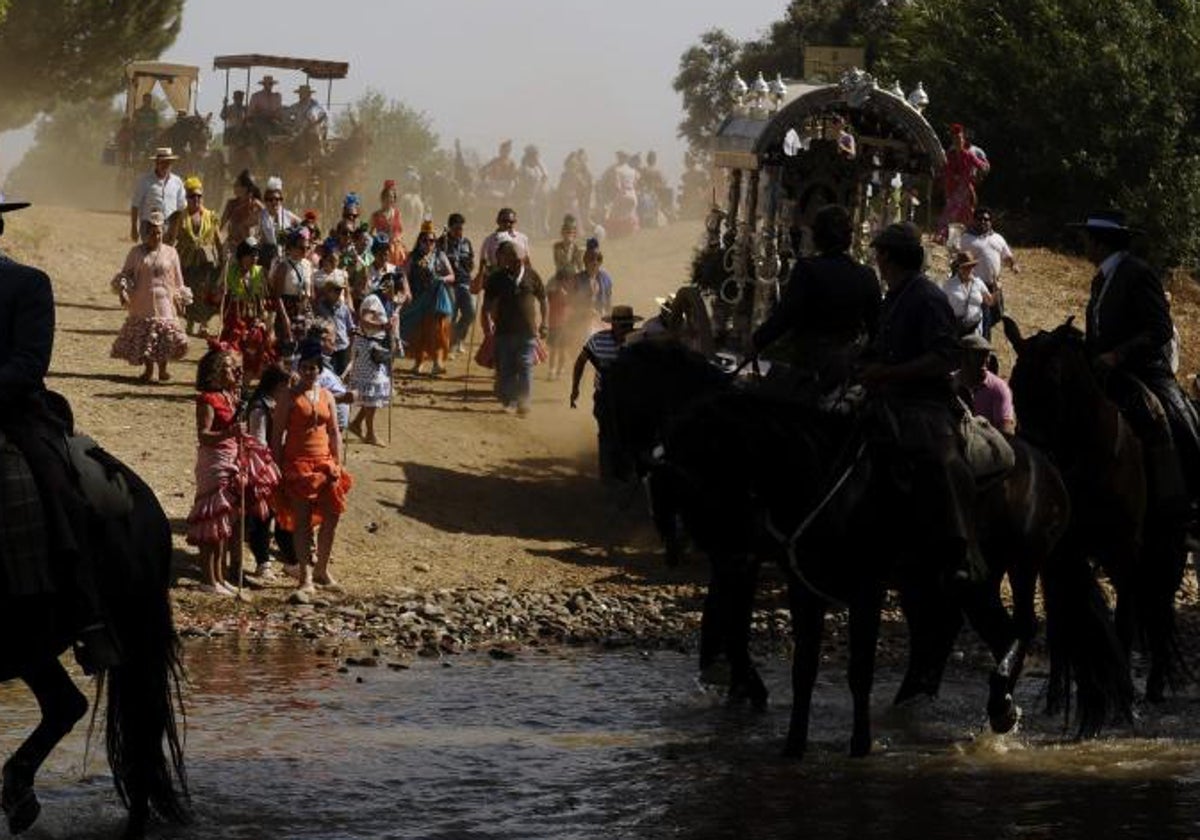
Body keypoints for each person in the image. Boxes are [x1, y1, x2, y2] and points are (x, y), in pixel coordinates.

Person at [0, 195, 120, 672]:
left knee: (51, 482)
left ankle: (87, 613)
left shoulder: (26, 284)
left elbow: (29, 362)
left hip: (13, 411)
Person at [859, 222, 979, 585]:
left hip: (926, 402)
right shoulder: (893, 297)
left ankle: (957, 548)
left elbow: (946, 357)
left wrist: (891, 373)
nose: (876, 261)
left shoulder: (927, 297)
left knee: (938, 456)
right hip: (887, 396)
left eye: (879, 254)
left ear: (890, 258)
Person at [1076, 210, 1200, 524]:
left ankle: (1191, 501)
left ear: (1100, 243)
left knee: (1176, 417)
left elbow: (1159, 328)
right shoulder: (1100, 279)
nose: (1083, 244)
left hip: (1144, 371)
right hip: (1103, 373)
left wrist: (1118, 355)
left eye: (1086, 239)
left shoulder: (1138, 272)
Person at [752, 204, 880, 396]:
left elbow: (785, 316)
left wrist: (756, 342)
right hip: (845, 373)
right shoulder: (866, 275)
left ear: (817, 236)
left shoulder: (808, 270)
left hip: (808, 367)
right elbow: (876, 329)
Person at [186, 348, 279, 595]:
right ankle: (209, 578)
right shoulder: (208, 399)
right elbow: (203, 435)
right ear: (216, 372)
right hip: (215, 460)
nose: (235, 371)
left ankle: (220, 576)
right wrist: (230, 433)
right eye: (229, 367)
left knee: (226, 519)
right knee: (212, 518)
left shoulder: (232, 396)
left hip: (233, 457)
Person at [271, 339, 352, 594]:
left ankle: (322, 570)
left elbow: (334, 432)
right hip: (298, 463)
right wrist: (275, 465)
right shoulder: (289, 396)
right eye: (304, 367)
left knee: (333, 516)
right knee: (302, 521)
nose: (309, 372)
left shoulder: (327, 395)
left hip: (325, 462)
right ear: (299, 367)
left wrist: (338, 460)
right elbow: (277, 434)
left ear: (320, 369)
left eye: (313, 368)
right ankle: (304, 576)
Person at [110, 211, 190, 382]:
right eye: (153, 233)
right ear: (145, 233)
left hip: (164, 301)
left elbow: (178, 279)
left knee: (164, 334)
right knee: (146, 334)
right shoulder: (136, 253)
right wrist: (123, 290)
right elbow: (126, 274)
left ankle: (163, 369)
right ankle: (148, 370)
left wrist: (180, 299)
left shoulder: (171, 253)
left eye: (159, 232)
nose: (157, 236)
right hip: (142, 300)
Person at [570, 304, 642, 481]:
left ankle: (627, 470)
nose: (626, 329)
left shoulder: (639, 342)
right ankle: (607, 472)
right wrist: (575, 389)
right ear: (613, 325)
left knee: (630, 432)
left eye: (629, 325)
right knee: (606, 432)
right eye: (623, 325)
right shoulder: (597, 340)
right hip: (605, 396)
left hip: (631, 397)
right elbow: (580, 362)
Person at [484, 240, 547, 416]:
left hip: (528, 332)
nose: (517, 262)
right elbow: (488, 303)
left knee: (525, 364)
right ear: (507, 260)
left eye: (520, 259)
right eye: (513, 258)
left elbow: (543, 299)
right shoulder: (497, 278)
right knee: (506, 368)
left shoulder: (532, 276)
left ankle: (524, 401)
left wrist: (545, 322)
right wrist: (488, 321)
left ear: (524, 259)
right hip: (503, 331)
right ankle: (510, 400)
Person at [244, 364, 294, 581]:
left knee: (283, 516)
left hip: (280, 464)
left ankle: (291, 559)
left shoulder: (278, 404)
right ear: (278, 385)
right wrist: (271, 467)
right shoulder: (260, 407)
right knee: (263, 516)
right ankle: (262, 561)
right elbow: (259, 441)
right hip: (264, 467)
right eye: (286, 385)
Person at [166, 176, 223, 336]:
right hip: (186, 260)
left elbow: (217, 240)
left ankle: (204, 324)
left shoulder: (211, 216)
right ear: (186, 198)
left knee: (204, 291)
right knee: (187, 290)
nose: (196, 199)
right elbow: (171, 239)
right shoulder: (179, 217)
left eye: (199, 196)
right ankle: (190, 322)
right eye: (192, 196)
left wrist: (223, 258)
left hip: (206, 261)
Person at [402, 221, 456, 375]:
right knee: (418, 332)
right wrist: (407, 291)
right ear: (419, 241)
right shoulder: (412, 256)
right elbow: (404, 274)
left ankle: (437, 363)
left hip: (436, 300)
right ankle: (419, 362)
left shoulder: (440, 255)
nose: (428, 243)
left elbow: (452, 275)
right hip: (418, 298)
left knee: (438, 332)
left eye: (432, 240)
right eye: (425, 240)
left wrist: (443, 279)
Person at [218, 238, 275, 381]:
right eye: (251, 255)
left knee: (253, 352)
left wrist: (265, 320)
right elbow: (219, 293)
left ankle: (246, 384)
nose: (254, 259)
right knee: (233, 350)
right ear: (242, 256)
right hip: (235, 317)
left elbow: (267, 298)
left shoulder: (260, 272)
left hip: (253, 318)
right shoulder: (230, 271)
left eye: (256, 255)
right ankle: (231, 382)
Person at [960, 207, 1019, 339]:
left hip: (995, 286)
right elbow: (958, 258)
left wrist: (1013, 265)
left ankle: (982, 333)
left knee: (997, 315)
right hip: (976, 286)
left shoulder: (998, 238)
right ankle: (983, 341)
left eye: (986, 219)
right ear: (973, 221)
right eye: (979, 219)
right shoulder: (966, 238)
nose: (982, 222)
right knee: (983, 318)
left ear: (991, 222)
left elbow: (1007, 256)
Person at [345, 295, 393, 445]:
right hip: (367, 349)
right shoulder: (373, 300)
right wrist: (383, 327)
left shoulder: (386, 301)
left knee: (375, 390)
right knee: (373, 389)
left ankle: (357, 423)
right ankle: (370, 433)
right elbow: (364, 321)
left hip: (375, 348)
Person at [547, 215, 586, 379]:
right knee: (549, 290)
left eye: (572, 232)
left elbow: (579, 266)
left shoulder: (577, 249)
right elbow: (560, 263)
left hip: (572, 279)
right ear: (562, 233)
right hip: (560, 277)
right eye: (567, 232)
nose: (569, 234)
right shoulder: (558, 246)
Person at [955, 334, 1016, 435]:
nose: (985, 360)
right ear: (963, 357)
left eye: (987, 355)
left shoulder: (999, 388)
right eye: (978, 355)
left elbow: (1006, 432)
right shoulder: (950, 384)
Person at [938, 123, 989, 241]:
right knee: (951, 212)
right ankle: (946, 236)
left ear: (963, 140)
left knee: (966, 213)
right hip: (952, 188)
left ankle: (970, 235)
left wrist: (977, 175)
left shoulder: (970, 154)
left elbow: (983, 166)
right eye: (955, 139)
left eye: (960, 139)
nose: (958, 141)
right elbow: (945, 170)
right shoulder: (949, 154)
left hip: (965, 189)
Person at [268, 226, 314, 349]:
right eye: (301, 247)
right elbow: (277, 296)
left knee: (303, 348)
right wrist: (286, 320)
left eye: (307, 247)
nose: (304, 250)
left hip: (303, 309)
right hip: (287, 308)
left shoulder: (307, 265)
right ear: (292, 247)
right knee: (287, 347)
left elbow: (310, 290)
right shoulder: (283, 266)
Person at [130, 147, 186, 243]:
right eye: (162, 162)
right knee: (150, 254)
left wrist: (180, 228)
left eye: (168, 162)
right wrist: (134, 227)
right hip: (149, 224)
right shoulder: (145, 181)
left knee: (167, 254)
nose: (166, 165)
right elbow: (135, 205)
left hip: (169, 226)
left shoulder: (177, 182)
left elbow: (181, 207)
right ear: (156, 163)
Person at [438, 212, 476, 355]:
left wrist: (467, 264)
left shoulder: (466, 243)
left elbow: (471, 263)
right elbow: (437, 261)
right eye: (456, 228)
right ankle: (449, 343)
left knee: (470, 313)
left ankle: (457, 338)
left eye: (461, 228)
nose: (459, 231)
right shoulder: (442, 242)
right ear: (449, 228)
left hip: (465, 282)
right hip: (450, 284)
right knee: (451, 315)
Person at [476, 208, 531, 290]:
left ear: (515, 222)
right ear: (498, 221)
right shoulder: (489, 240)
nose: (508, 224)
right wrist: (479, 282)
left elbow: (527, 261)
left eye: (511, 222)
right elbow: (483, 263)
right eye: (504, 221)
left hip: (518, 281)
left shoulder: (523, 238)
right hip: (497, 281)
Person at [313, 266, 354, 374]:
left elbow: (350, 328)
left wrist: (351, 348)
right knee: (327, 373)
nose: (338, 293)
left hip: (342, 346)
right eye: (335, 290)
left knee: (341, 374)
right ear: (327, 291)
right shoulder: (319, 307)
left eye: (340, 290)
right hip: (326, 348)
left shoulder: (344, 308)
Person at [941, 251, 993, 337]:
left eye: (971, 267)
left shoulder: (978, 283)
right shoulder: (949, 285)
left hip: (976, 330)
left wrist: (997, 290)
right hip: (956, 330)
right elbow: (942, 307)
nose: (969, 269)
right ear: (959, 268)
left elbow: (989, 302)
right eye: (965, 267)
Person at [258, 176, 300, 270]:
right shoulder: (261, 216)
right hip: (267, 256)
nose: (274, 202)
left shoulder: (287, 215)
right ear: (265, 201)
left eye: (277, 199)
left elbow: (303, 226)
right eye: (270, 199)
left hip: (286, 256)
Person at [220, 169, 264, 252]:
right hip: (233, 246)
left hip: (251, 247)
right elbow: (222, 226)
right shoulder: (231, 204)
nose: (234, 187)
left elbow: (268, 219)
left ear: (245, 188)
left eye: (237, 185)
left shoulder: (256, 205)